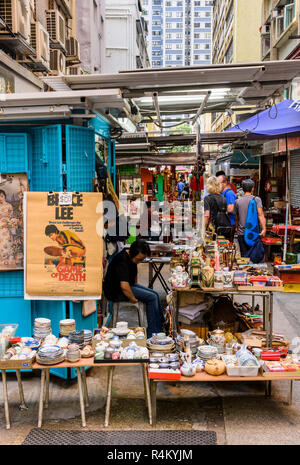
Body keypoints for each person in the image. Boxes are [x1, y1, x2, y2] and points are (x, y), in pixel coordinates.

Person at [103, 240, 164, 337]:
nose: (139, 262)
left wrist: (138, 290)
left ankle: (160, 326)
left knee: (155, 294)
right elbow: (124, 286)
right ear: (132, 253)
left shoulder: (131, 258)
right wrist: (133, 299)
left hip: (128, 286)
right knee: (151, 297)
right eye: (138, 259)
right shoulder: (122, 260)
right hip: (116, 291)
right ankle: (152, 333)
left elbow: (133, 279)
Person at [234, 179, 266, 257]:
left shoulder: (237, 201)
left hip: (241, 234)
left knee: (244, 258)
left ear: (242, 189)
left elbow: (236, 218)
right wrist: (264, 229)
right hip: (253, 233)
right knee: (254, 256)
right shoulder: (257, 199)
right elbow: (260, 214)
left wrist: (237, 228)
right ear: (252, 188)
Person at [217, 174, 237, 242]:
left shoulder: (229, 193)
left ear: (225, 183)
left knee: (227, 246)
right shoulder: (222, 193)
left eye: (219, 183)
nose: (217, 185)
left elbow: (231, 208)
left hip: (228, 225)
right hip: (223, 225)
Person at [0, 189, 14, 266]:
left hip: (7, 224)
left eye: (1, 196)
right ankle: (2, 259)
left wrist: (5, 216)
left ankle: (8, 258)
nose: (0, 198)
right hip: (0, 225)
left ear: (4, 196)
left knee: (7, 240)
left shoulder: (9, 205)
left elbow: (11, 215)